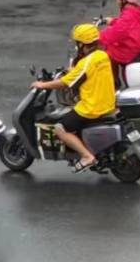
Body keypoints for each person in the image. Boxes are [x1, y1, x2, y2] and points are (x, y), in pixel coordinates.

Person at [29, 24, 114, 170]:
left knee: (60, 128)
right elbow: (87, 74)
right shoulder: (102, 56)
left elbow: (65, 83)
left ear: (81, 44)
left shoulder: (85, 63)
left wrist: (43, 85)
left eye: (77, 42)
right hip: (108, 103)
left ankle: (87, 156)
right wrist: (74, 70)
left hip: (91, 108)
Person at [100, 0, 140, 74]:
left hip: (129, 51)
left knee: (105, 54)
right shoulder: (135, 11)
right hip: (136, 46)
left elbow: (113, 34)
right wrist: (112, 21)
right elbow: (127, 27)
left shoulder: (128, 16)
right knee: (110, 48)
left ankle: (113, 82)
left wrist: (95, 37)